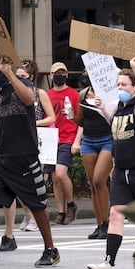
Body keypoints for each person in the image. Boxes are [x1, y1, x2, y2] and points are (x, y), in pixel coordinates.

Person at [87, 56, 135, 269]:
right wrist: (104, 111)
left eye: (124, 85)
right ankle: (108, 262)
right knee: (116, 213)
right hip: (120, 172)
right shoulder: (119, 107)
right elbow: (118, 128)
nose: (119, 88)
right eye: (118, 85)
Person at [0, 58, 60, 267]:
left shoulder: (24, 86)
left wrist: (9, 74)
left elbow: (28, 100)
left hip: (23, 157)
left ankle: (50, 249)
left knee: (36, 204)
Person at [13, 60, 56, 234]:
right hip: (16, 140)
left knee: (32, 181)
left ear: (31, 77)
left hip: (37, 139)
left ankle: (34, 217)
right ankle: (28, 212)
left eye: (22, 77)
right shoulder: (12, 94)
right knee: (15, 181)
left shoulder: (40, 94)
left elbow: (51, 117)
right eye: (17, 77)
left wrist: (34, 123)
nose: (19, 80)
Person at [74, 70, 113, 239]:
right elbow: (80, 120)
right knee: (93, 184)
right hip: (89, 140)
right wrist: (71, 116)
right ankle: (99, 224)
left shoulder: (110, 93)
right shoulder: (82, 94)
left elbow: (114, 117)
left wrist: (103, 105)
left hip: (107, 139)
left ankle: (107, 222)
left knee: (99, 179)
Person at [47, 62, 81, 225]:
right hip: (51, 138)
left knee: (61, 173)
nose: (60, 75)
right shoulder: (46, 94)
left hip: (68, 137)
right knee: (54, 177)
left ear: (67, 75)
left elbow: (81, 120)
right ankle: (61, 212)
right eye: (56, 73)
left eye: (63, 72)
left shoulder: (74, 94)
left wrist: (77, 141)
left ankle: (71, 204)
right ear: (51, 75)